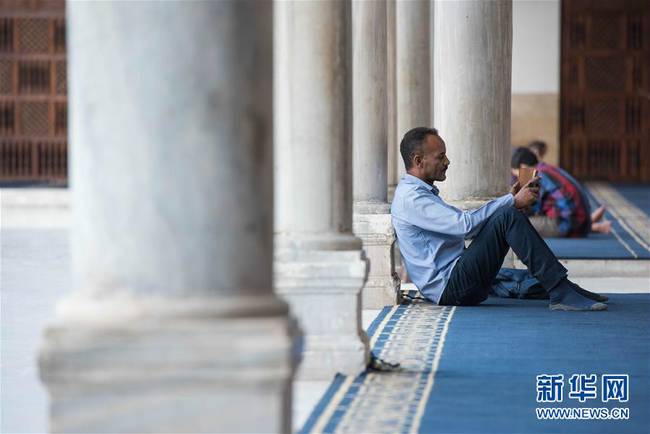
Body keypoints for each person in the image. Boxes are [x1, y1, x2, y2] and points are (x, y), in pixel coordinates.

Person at [391, 127, 608, 311]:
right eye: (440, 156)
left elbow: (470, 228)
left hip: (457, 278)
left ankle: (566, 288)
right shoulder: (412, 198)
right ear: (418, 161)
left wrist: (511, 200)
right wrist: (510, 201)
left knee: (507, 222)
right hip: (450, 288)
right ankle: (561, 291)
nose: (447, 161)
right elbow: (464, 226)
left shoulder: (420, 193)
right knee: (507, 215)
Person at [510, 146, 611, 238]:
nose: (517, 178)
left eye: (516, 174)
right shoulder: (547, 168)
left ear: (523, 166)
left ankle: (591, 225)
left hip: (566, 224)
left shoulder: (534, 175)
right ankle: (592, 224)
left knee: (514, 224)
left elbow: (529, 208)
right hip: (579, 220)